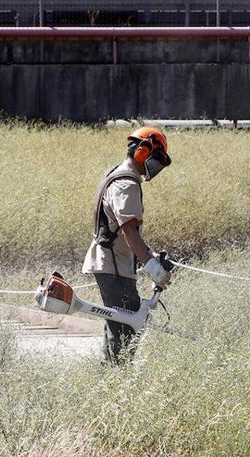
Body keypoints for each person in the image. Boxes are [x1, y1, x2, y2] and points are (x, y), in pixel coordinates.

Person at [82, 126, 174, 364]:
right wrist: (153, 267)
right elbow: (128, 230)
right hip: (115, 267)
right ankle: (114, 383)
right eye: (155, 158)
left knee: (118, 331)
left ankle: (110, 381)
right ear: (143, 152)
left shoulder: (117, 174)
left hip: (113, 263)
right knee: (124, 335)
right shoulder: (127, 183)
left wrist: (149, 254)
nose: (154, 166)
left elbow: (122, 229)